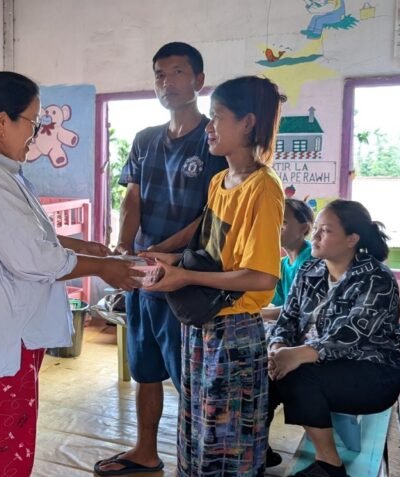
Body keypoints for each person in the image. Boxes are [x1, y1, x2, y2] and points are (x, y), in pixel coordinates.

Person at [0, 71, 142, 477]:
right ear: (2, 121)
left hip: (8, 335)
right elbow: (34, 258)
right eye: (33, 120)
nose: (37, 132)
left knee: (5, 440)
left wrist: (83, 247)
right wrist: (103, 268)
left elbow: (24, 236)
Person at [95, 42, 227, 476]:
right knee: (145, 370)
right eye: (159, 74)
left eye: (177, 72)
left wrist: (164, 253)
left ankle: (203, 463)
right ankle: (145, 453)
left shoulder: (214, 141)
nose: (167, 82)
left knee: (191, 378)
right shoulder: (145, 139)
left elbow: (210, 216)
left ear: (199, 81)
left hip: (184, 280)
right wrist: (124, 247)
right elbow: (131, 197)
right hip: (142, 275)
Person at [144, 75, 286, 476]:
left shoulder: (264, 188)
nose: (209, 126)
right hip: (202, 326)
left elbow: (261, 278)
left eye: (218, 116)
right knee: (198, 426)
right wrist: (169, 258)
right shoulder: (218, 182)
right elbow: (210, 250)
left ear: (247, 123)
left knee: (227, 440)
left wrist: (186, 278)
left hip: (235, 332)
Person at [267, 200, 400, 477]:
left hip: (372, 373)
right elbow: (288, 318)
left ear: (352, 239)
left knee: (298, 375)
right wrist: (278, 348)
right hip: (315, 363)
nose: (315, 236)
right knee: (257, 374)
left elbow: (350, 334)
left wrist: (295, 355)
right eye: (316, 229)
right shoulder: (310, 271)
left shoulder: (376, 279)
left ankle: (329, 464)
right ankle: (255, 448)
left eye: (326, 231)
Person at [261, 198, 315, 322]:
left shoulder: (312, 259)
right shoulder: (281, 265)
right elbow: (279, 304)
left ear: (304, 228)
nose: (275, 227)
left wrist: (256, 314)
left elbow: (301, 308)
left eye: (283, 222)